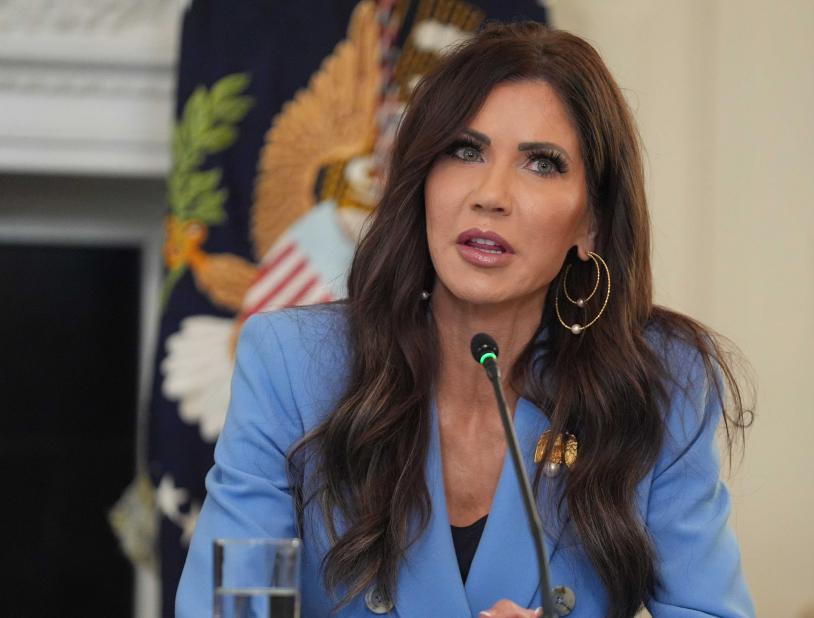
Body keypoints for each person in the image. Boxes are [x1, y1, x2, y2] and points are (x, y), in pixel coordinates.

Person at [177, 20, 755, 618]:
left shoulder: (659, 383)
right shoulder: (291, 365)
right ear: (422, 181)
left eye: (542, 164)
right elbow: (225, 609)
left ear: (592, 223)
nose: (490, 194)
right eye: (465, 151)